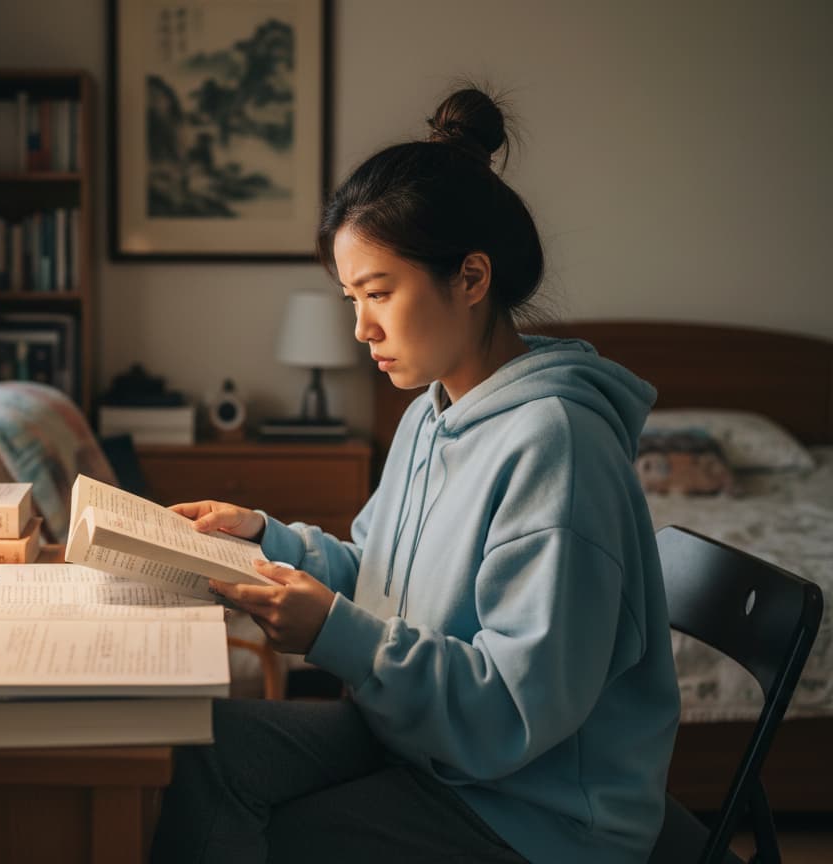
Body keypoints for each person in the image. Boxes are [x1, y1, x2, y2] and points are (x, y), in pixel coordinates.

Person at [149, 86, 681, 864]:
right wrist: (266, 541)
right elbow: (380, 578)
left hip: (532, 811)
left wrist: (335, 634)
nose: (361, 328)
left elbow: (510, 708)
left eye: (378, 294)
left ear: (470, 279)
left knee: (275, 837)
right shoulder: (433, 414)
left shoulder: (557, 448)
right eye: (350, 298)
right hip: (429, 747)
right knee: (194, 748)